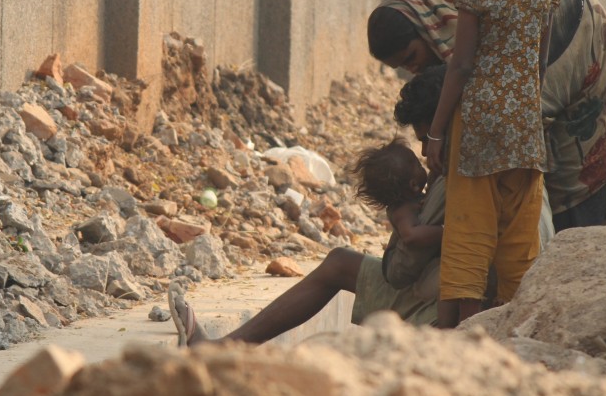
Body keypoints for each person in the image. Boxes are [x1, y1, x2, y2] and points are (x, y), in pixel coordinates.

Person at [170, 67, 453, 346]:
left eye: (429, 139)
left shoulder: (467, 168)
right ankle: (227, 346)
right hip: (417, 280)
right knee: (338, 261)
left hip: (439, 296)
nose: (427, 153)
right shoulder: (442, 169)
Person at [368, 0, 606, 234]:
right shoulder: (463, 15)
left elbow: (503, 129)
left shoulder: (481, 25)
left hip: (579, 51)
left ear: (428, 28)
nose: (413, 68)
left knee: (567, 184)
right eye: (403, 66)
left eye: (411, 57)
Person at [425, 0, 556, 327]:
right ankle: (514, 331)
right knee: (519, 236)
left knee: (470, 230)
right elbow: (538, 64)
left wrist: (436, 132)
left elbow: (460, 66)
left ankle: (465, 331)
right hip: (525, 132)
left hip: (479, 130)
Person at [349, 138, 443, 289]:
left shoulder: (410, 198)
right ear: (413, 184)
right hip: (396, 269)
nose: (423, 165)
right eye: (419, 165)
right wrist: (446, 233)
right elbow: (410, 235)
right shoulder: (402, 210)